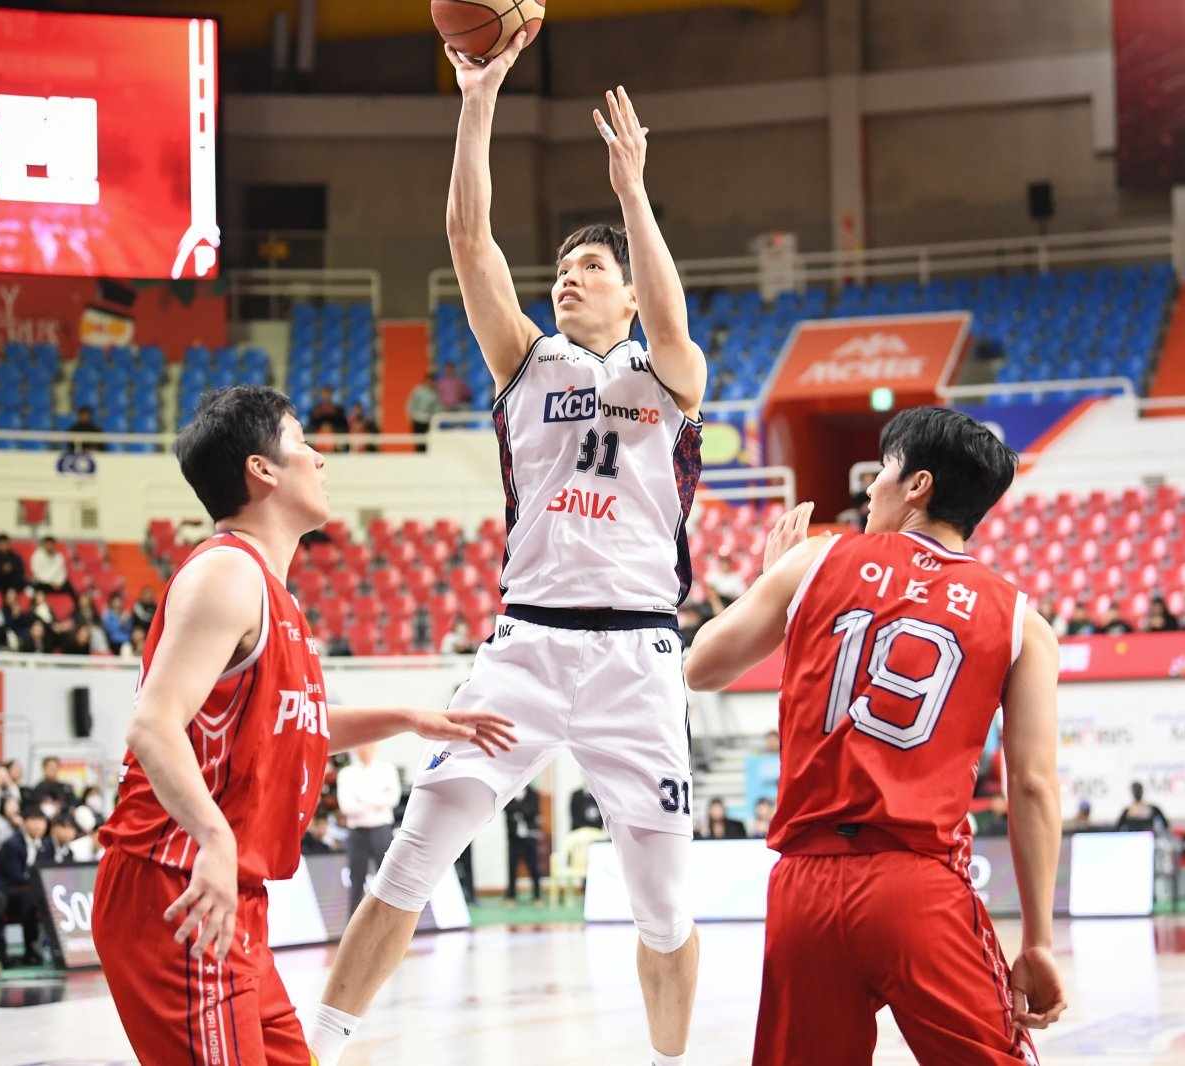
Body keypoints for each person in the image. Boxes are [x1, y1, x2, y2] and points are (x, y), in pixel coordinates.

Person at [311, 45, 708, 1066]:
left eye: (591, 268)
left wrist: (632, 195)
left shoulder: (668, 373)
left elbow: (668, 315)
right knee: (410, 857)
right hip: (524, 650)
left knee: (663, 908)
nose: (568, 279)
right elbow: (467, 236)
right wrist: (477, 100)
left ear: (624, 292)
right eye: (564, 269)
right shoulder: (527, 362)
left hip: (636, 659)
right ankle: (310, 1044)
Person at [92, 385, 514, 1065]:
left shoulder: (271, 589)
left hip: (228, 891)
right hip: (176, 881)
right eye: (301, 443)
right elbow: (152, 725)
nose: (321, 459)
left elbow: (293, 725)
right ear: (262, 470)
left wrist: (408, 718)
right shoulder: (228, 574)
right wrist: (214, 840)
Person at [684, 406, 1065, 1064]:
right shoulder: (1020, 621)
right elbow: (1032, 785)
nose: (870, 488)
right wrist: (1037, 940)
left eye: (883, 469)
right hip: (917, 884)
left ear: (917, 485)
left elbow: (701, 667)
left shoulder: (815, 560)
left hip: (804, 887)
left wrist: (769, 584)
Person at [336, 744, 401, 915]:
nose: (365, 749)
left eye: (369, 746)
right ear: (356, 749)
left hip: (382, 829)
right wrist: (378, 797)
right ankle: (352, 924)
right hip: (357, 832)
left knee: (387, 877)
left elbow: (392, 799)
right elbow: (347, 806)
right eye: (362, 746)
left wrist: (361, 797)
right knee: (356, 879)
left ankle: (391, 920)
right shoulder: (346, 773)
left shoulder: (387, 769)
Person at [0, 806, 55, 965]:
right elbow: (16, 877)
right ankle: (26, 949)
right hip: (2, 890)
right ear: (24, 823)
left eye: (41, 821)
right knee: (30, 899)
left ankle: (34, 949)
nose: (38, 825)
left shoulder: (45, 845)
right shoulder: (12, 844)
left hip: (24, 892)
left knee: (33, 899)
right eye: (33, 820)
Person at [504, 781, 544, 903]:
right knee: (512, 866)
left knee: (533, 866)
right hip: (513, 836)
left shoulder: (533, 794)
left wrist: (518, 809)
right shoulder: (510, 792)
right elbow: (506, 808)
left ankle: (537, 895)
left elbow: (532, 810)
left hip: (529, 836)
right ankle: (511, 895)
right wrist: (522, 808)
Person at [406, 372, 440, 451]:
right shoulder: (418, 391)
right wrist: (411, 415)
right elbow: (411, 404)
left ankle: (425, 459)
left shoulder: (434, 394)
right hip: (417, 419)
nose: (430, 383)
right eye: (429, 381)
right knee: (418, 441)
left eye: (432, 381)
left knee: (427, 442)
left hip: (428, 420)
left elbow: (436, 408)